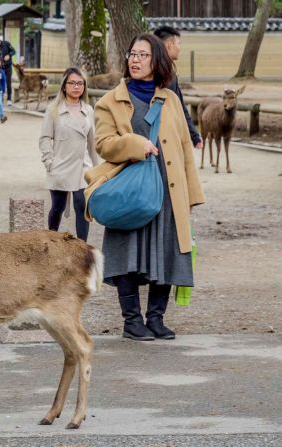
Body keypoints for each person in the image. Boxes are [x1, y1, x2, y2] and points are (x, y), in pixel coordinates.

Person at [90, 33, 204, 341]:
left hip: (168, 191)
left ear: (157, 62)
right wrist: (134, 144)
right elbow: (103, 144)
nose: (135, 60)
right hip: (130, 191)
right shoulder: (109, 102)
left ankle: (156, 318)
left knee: (166, 251)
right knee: (128, 253)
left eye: (143, 55)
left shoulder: (170, 99)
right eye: (132, 54)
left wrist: (191, 196)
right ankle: (131, 321)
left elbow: (183, 148)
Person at [39, 67, 98, 241]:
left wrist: (97, 170)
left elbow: (92, 143)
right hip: (60, 165)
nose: (76, 87)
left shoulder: (88, 110)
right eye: (72, 83)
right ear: (64, 86)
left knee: (82, 206)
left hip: (83, 166)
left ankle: (82, 247)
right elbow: (44, 138)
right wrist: (49, 162)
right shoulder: (53, 109)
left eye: (80, 83)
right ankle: (52, 240)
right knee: (57, 206)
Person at [153, 26, 203, 151]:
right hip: (160, 134)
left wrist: (194, 135)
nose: (179, 48)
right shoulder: (162, 73)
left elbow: (179, 103)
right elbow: (179, 106)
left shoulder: (167, 71)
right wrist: (194, 135)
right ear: (170, 44)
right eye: (178, 43)